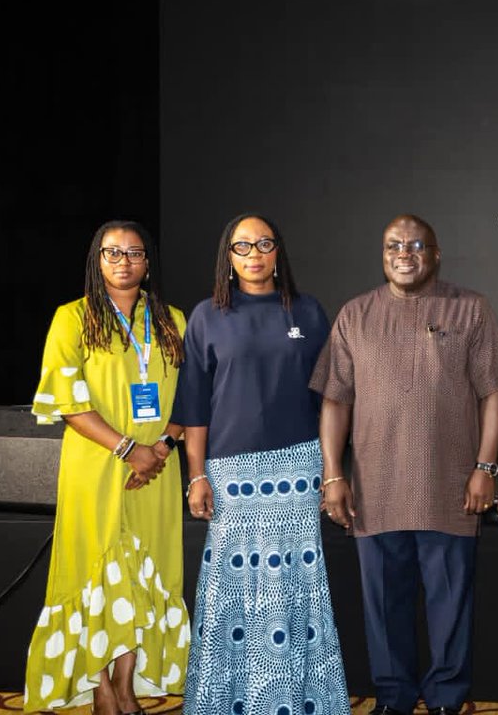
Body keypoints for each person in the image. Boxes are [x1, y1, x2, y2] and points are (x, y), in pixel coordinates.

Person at [310, 214, 498, 715]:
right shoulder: (355, 314)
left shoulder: (469, 309)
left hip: (450, 490)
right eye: (393, 246)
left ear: (436, 253)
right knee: (385, 607)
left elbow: (495, 393)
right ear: (382, 254)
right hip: (374, 490)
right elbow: (335, 402)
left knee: (450, 606)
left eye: (415, 245)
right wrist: (333, 475)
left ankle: (448, 697)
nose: (404, 254)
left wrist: (485, 468)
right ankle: (394, 697)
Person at [173, 213, 349, 715]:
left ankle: (300, 701)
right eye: (242, 245)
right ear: (227, 258)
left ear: (278, 252)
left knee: (295, 591)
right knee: (233, 593)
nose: (254, 254)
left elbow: (332, 401)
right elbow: (195, 406)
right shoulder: (206, 316)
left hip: (298, 470)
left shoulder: (310, 312)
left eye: (264, 243)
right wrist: (197, 474)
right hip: (231, 476)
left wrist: (332, 471)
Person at [26, 220, 188, 714]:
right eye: (112, 253)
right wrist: (128, 450)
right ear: (97, 261)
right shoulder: (71, 319)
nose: (123, 261)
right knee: (94, 575)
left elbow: (195, 397)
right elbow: (67, 403)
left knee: (141, 575)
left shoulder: (174, 321)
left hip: (155, 473)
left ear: (148, 261)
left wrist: (158, 450)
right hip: (94, 467)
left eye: (134, 253)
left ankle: (125, 684)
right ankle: (101, 689)